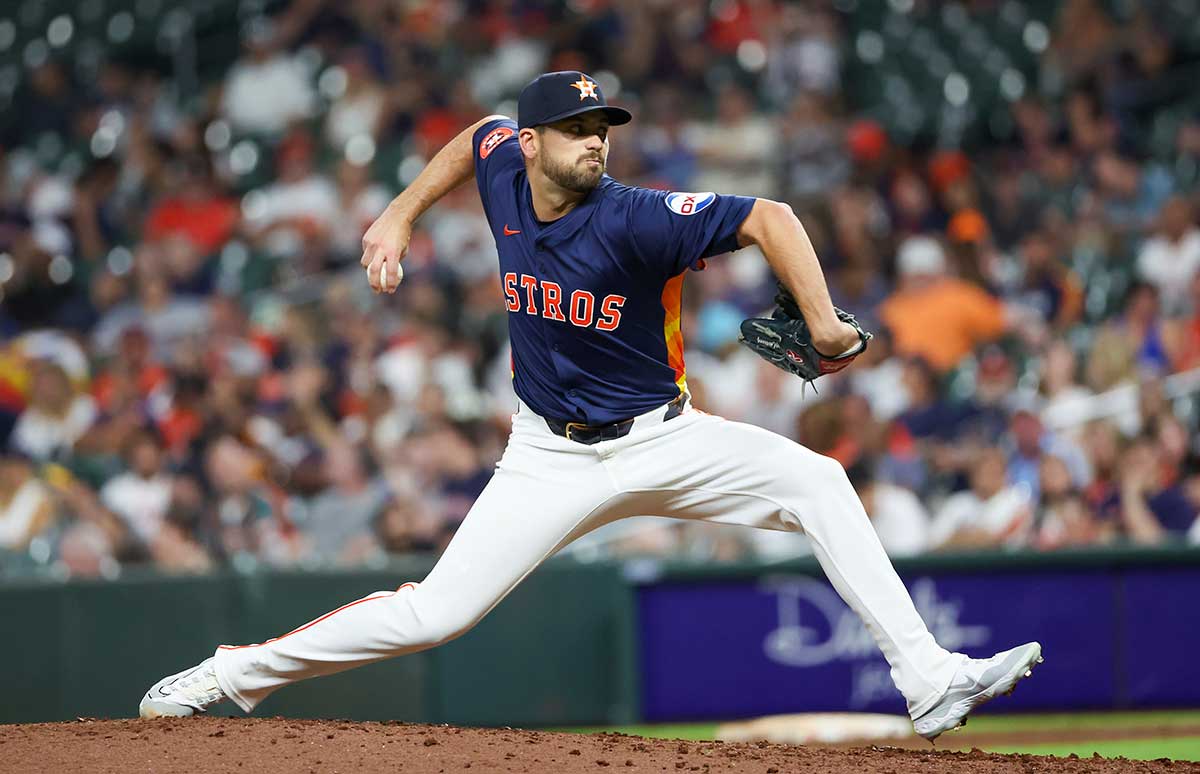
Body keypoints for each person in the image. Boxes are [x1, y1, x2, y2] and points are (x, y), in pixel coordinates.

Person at [140, 71, 1041, 741]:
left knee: (818, 483)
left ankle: (927, 679)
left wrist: (827, 327)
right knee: (433, 615)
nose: (595, 141)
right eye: (574, 128)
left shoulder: (637, 216)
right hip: (548, 456)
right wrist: (400, 215)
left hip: (665, 437)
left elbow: (769, 215)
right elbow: (478, 135)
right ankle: (226, 675)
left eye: (601, 126)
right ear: (534, 145)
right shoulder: (503, 166)